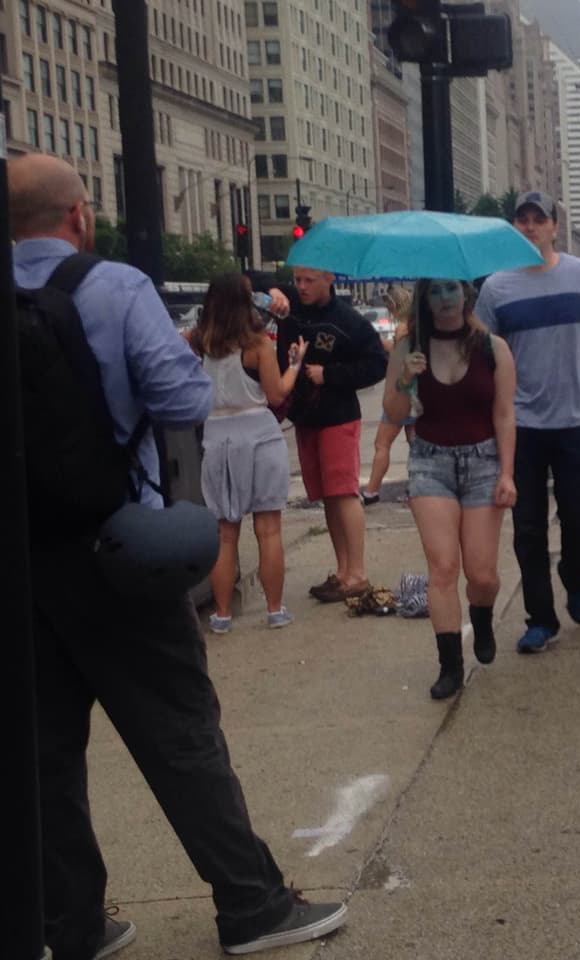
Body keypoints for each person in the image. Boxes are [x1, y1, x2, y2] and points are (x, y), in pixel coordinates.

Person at [12, 154, 346, 959]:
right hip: (117, 550)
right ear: (80, 217)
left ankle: (74, 926)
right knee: (180, 733)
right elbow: (183, 398)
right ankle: (252, 904)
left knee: (43, 754)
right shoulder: (115, 288)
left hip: (21, 564)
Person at [473, 190, 580, 653]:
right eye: (523, 219)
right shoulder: (496, 288)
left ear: (555, 226)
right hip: (522, 423)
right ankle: (541, 618)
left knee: (579, 518)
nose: (530, 226)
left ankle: (576, 577)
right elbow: (483, 353)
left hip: (575, 418)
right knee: (528, 527)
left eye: (539, 219)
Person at [383, 279, 516, 698]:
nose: (444, 300)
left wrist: (507, 473)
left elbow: (505, 414)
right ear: (424, 300)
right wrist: (405, 379)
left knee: (483, 575)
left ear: (466, 296)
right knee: (442, 568)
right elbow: (393, 412)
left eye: (451, 290)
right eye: (435, 292)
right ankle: (450, 666)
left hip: (483, 462)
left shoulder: (493, 349)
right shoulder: (408, 349)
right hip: (430, 462)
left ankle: (482, 615)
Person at [187, 273, 307, 633]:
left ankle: (222, 614)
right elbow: (276, 394)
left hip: (217, 437)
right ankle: (275, 609)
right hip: (258, 435)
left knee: (225, 533)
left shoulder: (199, 341)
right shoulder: (257, 346)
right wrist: (296, 364)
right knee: (268, 529)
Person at [274, 266, 387, 603]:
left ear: (330, 279)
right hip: (305, 417)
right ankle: (343, 570)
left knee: (343, 493)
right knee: (327, 495)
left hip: (338, 416)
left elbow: (377, 363)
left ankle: (358, 573)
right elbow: (251, 284)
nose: (302, 287)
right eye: (297, 280)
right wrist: (274, 292)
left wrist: (331, 374)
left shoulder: (349, 321)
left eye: (309, 280)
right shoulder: (289, 308)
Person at [361, 286, 415, 505]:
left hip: (400, 393)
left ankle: (372, 491)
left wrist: (382, 345)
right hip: (415, 394)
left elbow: (399, 357)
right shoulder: (416, 325)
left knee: (381, 444)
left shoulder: (402, 327)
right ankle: (416, 488)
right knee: (415, 444)